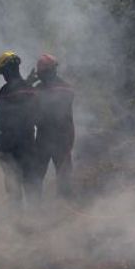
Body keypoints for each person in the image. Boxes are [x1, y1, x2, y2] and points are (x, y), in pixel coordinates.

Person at [0, 51, 39, 204]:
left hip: (9, 149)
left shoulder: (4, 93)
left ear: (7, 71)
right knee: (31, 184)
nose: (3, 76)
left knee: (13, 187)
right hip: (29, 146)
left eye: (3, 72)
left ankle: (16, 220)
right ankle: (38, 219)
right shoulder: (29, 89)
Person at [32, 53, 76, 199]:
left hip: (53, 138)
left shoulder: (40, 90)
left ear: (47, 72)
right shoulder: (67, 87)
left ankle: (38, 207)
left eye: (41, 73)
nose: (40, 76)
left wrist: (28, 83)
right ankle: (63, 206)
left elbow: (26, 103)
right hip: (59, 137)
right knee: (62, 175)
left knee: (37, 175)